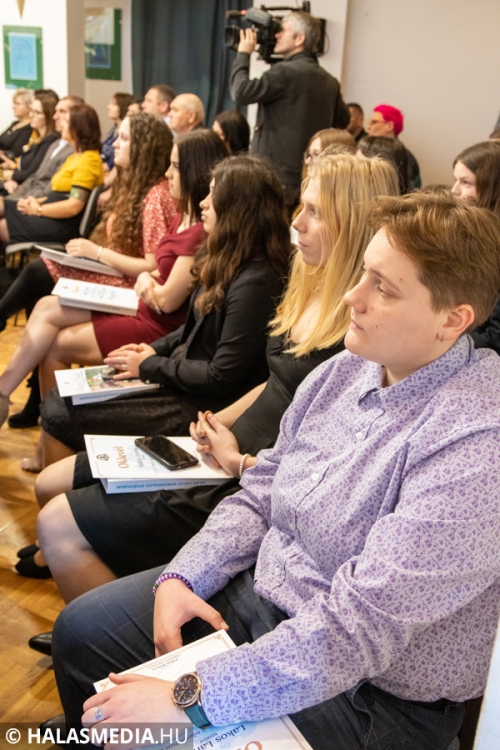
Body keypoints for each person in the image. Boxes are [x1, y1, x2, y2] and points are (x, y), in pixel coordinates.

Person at [50, 192, 500, 750]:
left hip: (369, 695)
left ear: (452, 320)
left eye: (383, 288)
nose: (352, 296)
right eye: (363, 273)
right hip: (265, 601)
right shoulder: (347, 369)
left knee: (142, 724)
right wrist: (186, 575)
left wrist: (191, 697)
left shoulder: (478, 442)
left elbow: (359, 628)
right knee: (81, 631)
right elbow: (261, 491)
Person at [31, 152, 399, 601]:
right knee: (57, 489)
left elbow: (327, 464)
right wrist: (216, 423)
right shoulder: (307, 282)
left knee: (59, 521)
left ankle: (110, 623)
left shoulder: (360, 328)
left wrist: (238, 459)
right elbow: (276, 384)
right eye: (301, 207)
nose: (297, 223)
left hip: (250, 477)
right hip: (227, 449)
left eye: (315, 212)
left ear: (352, 224)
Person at [0, 130, 227, 475]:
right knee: (46, 305)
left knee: (54, 342)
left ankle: (52, 437)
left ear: (194, 171)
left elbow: (166, 299)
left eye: (176, 167)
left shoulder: (196, 229)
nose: (168, 174)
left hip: (156, 324)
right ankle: (27, 417)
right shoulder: (182, 217)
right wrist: (147, 279)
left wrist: (142, 277)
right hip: (143, 305)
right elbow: (157, 272)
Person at [2, 112, 176, 435]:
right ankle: (10, 395)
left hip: (135, 290)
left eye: (124, 138)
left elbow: (152, 266)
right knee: (43, 296)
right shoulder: (135, 185)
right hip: (120, 277)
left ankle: (11, 396)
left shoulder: (155, 194)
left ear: (144, 147)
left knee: (41, 280)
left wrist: (96, 253)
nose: (115, 144)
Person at [230, 11, 350, 209]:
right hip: (309, 177)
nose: (276, 34)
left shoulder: (284, 72)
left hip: (273, 176)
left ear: (299, 39)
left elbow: (241, 92)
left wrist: (243, 53)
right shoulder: (330, 82)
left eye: (283, 30)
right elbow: (343, 121)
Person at [0, 104, 104, 246]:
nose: (61, 124)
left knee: (1, 226)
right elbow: (60, 194)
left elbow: (74, 205)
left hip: (62, 223)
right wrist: (35, 202)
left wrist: (38, 210)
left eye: (66, 121)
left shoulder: (89, 160)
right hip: (49, 212)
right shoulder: (75, 157)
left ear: (78, 127)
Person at [451, 140, 500, 355]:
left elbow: (495, 336)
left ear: (492, 188)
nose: (454, 190)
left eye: (466, 182)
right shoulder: (469, 235)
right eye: (456, 180)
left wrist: (438, 342)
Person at [0, 96, 83, 209]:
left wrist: (17, 202)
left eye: (62, 111)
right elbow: (35, 177)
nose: (55, 116)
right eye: (56, 111)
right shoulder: (55, 144)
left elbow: (49, 187)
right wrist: (10, 200)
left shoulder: (70, 148)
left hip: (39, 203)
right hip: (26, 195)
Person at [0, 93, 58, 194]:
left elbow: (32, 174)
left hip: (28, 190)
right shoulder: (37, 139)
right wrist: (13, 166)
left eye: (37, 112)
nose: (31, 115)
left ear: (48, 116)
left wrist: (7, 175)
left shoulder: (49, 141)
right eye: (31, 111)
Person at [367, 104, 421, 190]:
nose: (369, 127)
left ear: (389, 126)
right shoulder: (371, 150)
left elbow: (406, 192)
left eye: (374, 122)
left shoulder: (405, 157)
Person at [100, 92, 135, 171]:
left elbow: (111, 163)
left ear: (123, 107)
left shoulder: (127, 132)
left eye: (113, 104)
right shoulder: (114, 129)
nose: (108, 107)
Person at [0, 88, 34, 157]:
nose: (13, 107)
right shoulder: (15, 124)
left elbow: (16, 152)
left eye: (18, 104)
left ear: (29, 106)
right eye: (14, 103)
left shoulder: (29, 128)